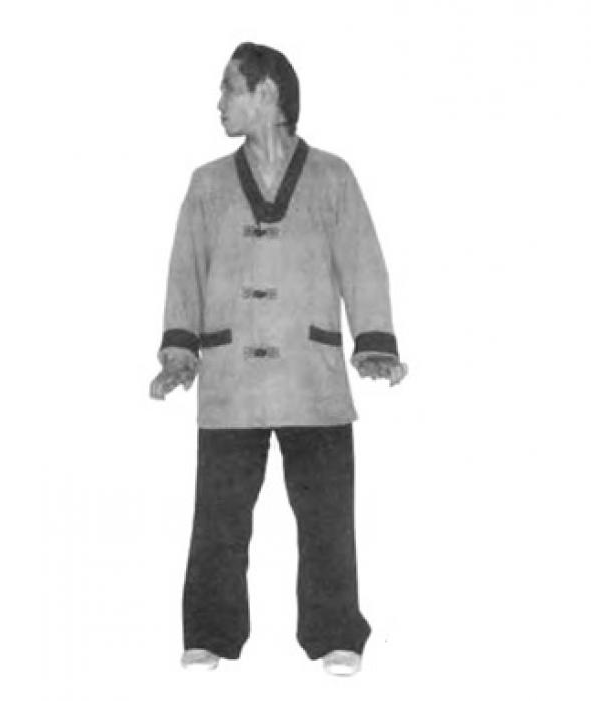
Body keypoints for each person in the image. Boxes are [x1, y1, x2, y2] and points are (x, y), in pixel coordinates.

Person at [149, 42, 408, 676]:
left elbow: (362, 262)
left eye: (229, 88)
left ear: (266, 93)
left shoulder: (332, 177)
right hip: (231, 376)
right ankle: (209, 631)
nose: (219, 102)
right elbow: (185, 270)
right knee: (219, 517)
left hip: (309, 372)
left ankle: (335, 632)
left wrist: (374, 341)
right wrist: (180, 351)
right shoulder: (207, 185)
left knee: (325, 515)